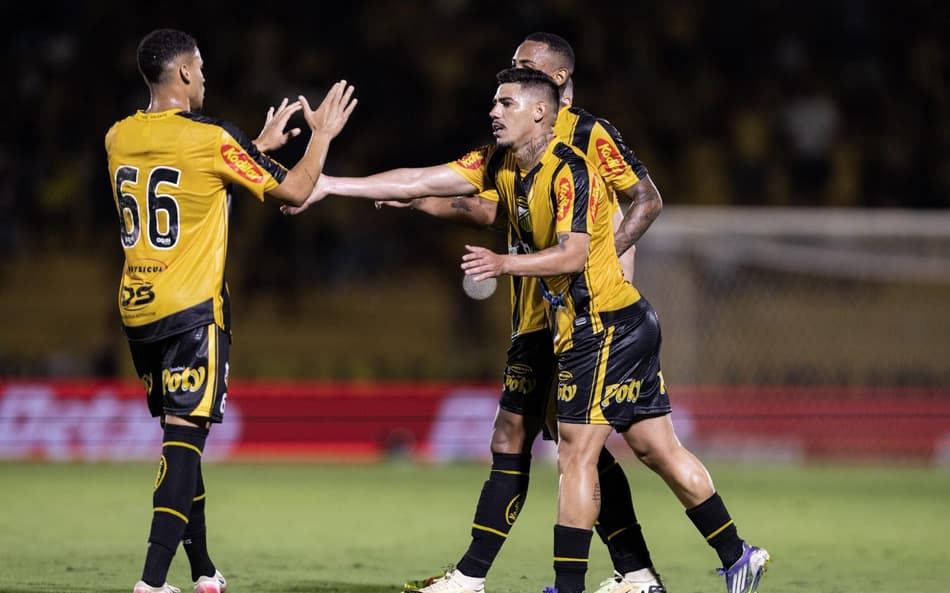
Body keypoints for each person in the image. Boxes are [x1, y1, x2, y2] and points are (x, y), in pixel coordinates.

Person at [294, 68, 769, 593]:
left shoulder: (572, 170)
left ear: (541, 110)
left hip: (603, 326)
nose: (493, 112)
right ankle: (734, 556)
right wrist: (332, 185)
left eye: (506, 103)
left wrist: (503, 265)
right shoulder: (501, 164)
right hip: (600, 324)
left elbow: (574, 252)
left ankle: (569, 586)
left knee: (575, 456)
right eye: (493, 102)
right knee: (656, 449)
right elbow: (424, 177)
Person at [104, 28, 357, 593]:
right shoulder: (212, 136)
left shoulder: (117, 136)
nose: (206, 77)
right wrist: (321, 137)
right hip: (192, 311)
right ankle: (150, 583)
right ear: (186, 75)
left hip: (138, 309)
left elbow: (188, 182)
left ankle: (203, 572)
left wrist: (252, 150)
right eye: (202, 67)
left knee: (180, 441)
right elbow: (293, 193)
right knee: (183, 445)